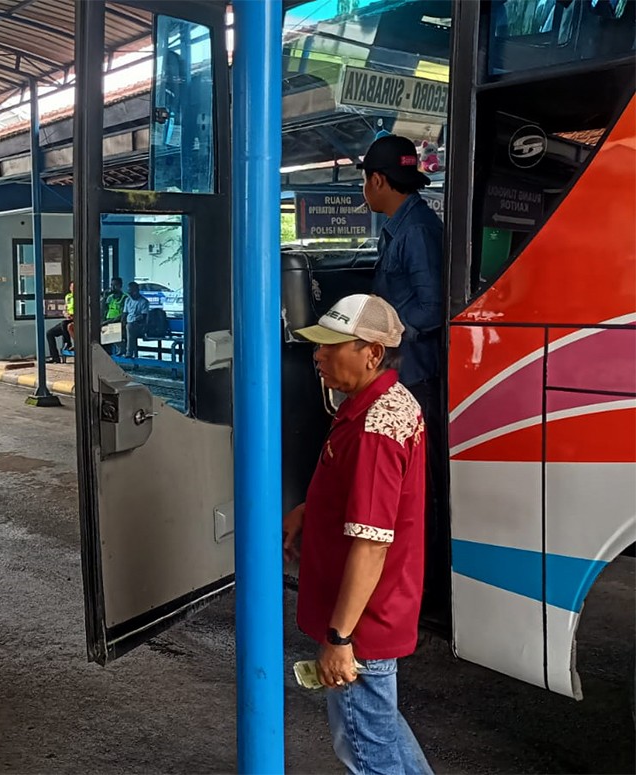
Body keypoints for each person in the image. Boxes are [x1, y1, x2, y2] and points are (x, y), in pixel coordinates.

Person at [284, 293, 432, 775]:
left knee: (367, 755)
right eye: (318, 346)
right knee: (382, 730)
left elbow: (371, 544)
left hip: (362, 624)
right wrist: (313, 509)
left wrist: (340, 638)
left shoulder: (374, 427)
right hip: (378, 613)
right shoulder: (384, 401)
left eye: (332, 346)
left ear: (371, 353)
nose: (318, 355)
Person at [357, 134, 443, 404]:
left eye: (364, 181)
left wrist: (384, 331)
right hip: (403, 369)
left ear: (377, 180)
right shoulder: (401, 227)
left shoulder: (415, 230)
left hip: (416, 374)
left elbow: (433, 308)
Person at [46, 282, 75, 363]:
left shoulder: (81, 297)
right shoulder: (68, 297)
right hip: (68, 318)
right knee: (49, 333)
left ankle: (68, 343)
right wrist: (65, 313)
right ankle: (55, 357)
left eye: (75, 287)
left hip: (77, 320)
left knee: (64, 324)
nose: (73, 289)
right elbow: (65, 308)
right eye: (72, 287)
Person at [122, 282, 150, 358]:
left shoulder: (144, 301)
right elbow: (125, 313)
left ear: (137, 291)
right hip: (128, 323)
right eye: (129, 292)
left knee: (130, 327)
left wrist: (135, 320)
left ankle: (129, 351)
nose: (130, 294)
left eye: (132, 292)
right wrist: (122, 323)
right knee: (114, 329)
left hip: (138, 326)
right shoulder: (127, 300)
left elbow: (144, 318)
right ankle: (120, 348)